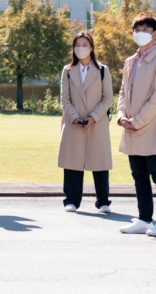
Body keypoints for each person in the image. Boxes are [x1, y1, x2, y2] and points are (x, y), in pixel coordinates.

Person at [117, 14, 156, 238]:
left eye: (145, 28)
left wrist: (137, 121)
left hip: (150, 128)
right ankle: (144, 218)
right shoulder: (130, 61)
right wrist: (121, 116)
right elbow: (123, 93)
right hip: (131, 127)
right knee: (138, 175)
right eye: (136, 29)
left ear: (155, 33)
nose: (140, 32)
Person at [57, 31, 113, 213]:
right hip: (74, 122)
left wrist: (93, 117)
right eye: (78, 45)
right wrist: (74, 117)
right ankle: (71, 200)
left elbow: (108, 98)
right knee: (72, 161)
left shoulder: (103, 70)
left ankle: (103, 201)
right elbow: (65, 98)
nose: (81, 48)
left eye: (85, 45)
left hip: (97, 122)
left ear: (92, 48)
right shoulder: (68, 71)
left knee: (99, 161)